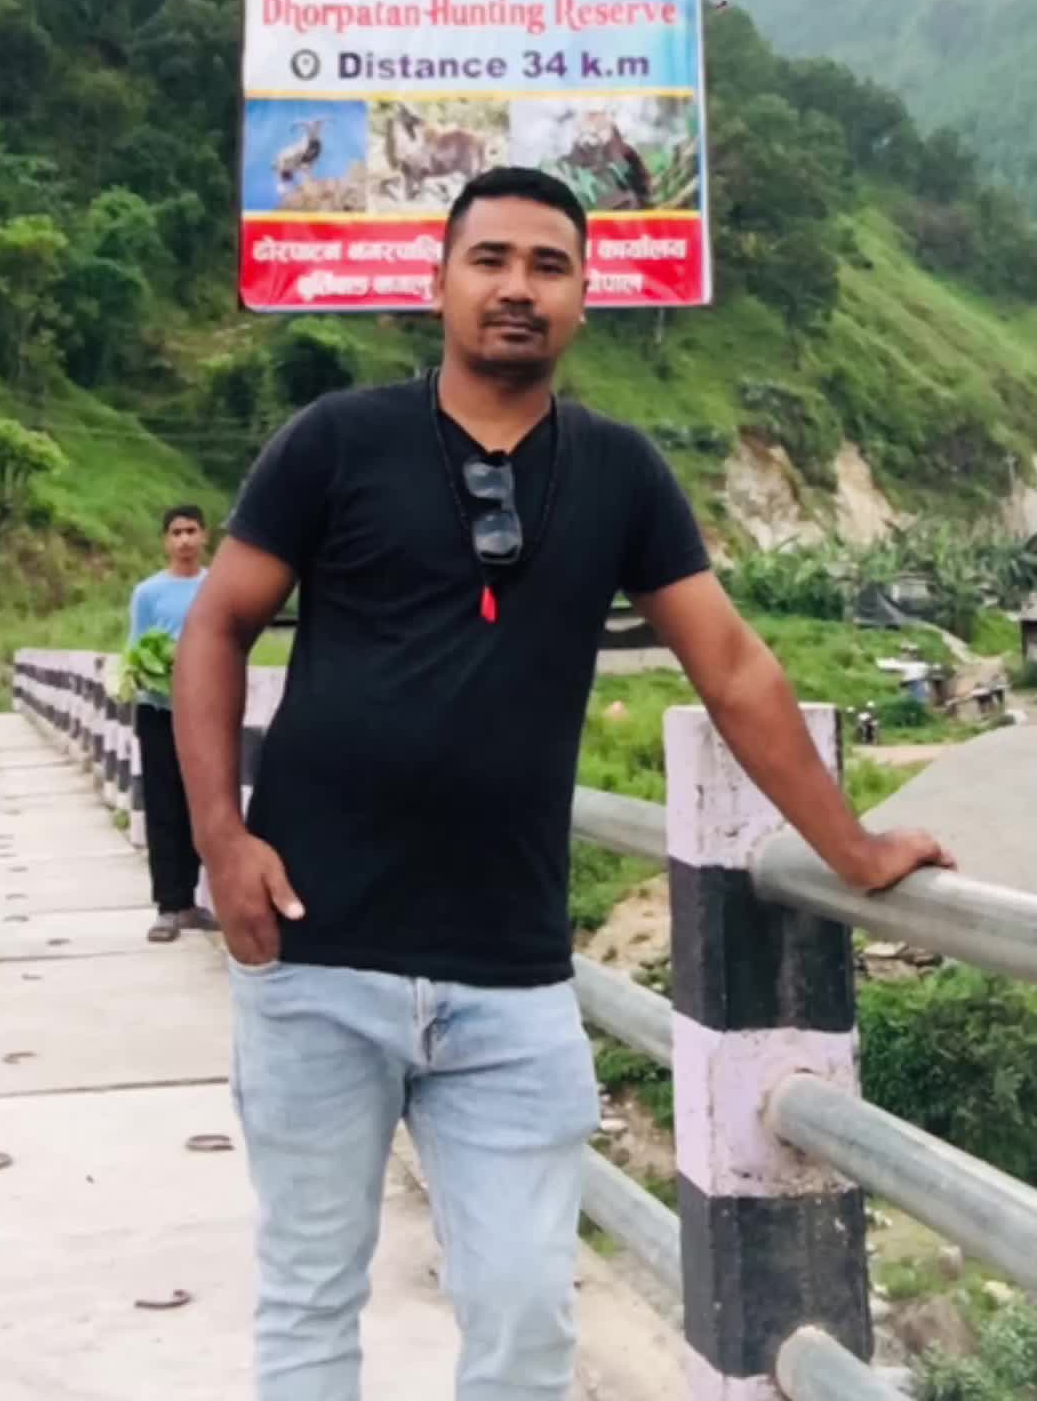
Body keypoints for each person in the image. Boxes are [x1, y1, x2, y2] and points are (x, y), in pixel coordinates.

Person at [174, 167, 955, 1401]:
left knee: (529, 1317)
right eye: (490, 259)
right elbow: (216, 626)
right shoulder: (335, 442)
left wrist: (850, 850)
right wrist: (221, 839)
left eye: (549, 266)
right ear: (439, 282)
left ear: (585, 300)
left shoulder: (620, 473)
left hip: (512, 980)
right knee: (311, 1298)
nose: (517, 288)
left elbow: (734, 667)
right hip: (319, 953)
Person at [129, 505, 216, 944]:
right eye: (176, 532)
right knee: (163, 804)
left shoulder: (216, 587)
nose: (184, 540)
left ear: (205, 536)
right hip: (158, 709)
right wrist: (155, 672)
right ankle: (168, 905)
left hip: (206, 710)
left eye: (191, 531)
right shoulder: (148, 593)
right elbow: (136, 647)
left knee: (200, 805)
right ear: (166, 541)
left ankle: (192, 903)